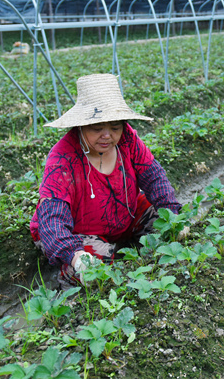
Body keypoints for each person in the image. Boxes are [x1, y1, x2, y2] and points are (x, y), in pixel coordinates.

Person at [30, 73, 182, 287]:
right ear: (81, 125)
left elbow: (154, 178)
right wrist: (75, 255)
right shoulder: (62, 159)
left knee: (165, 223)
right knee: (99, 265)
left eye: (114, 127)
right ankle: (70, 276)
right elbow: (53, 218)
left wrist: (173, 214)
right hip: (77, 231)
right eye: (97, 128)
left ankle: (130, 247)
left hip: (121, 215)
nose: (107, 135)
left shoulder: (128, 140)